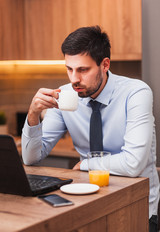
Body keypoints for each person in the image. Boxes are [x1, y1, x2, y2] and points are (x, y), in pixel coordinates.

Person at [22, 25, 159, 231]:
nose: (74, 79)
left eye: (83, 70)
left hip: (137, 206)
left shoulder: (136, 93)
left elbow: (133, 163)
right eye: (69, 69)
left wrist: (86, 164)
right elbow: (31, 158)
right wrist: (33, 115)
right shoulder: (66, 95)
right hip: (86, 203)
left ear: (105, 65)